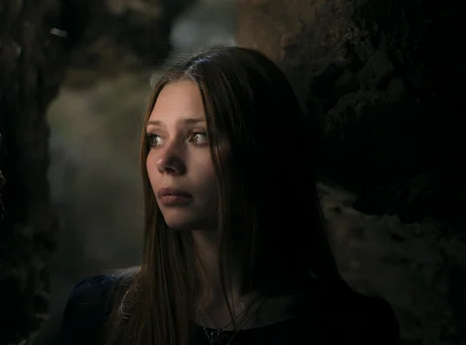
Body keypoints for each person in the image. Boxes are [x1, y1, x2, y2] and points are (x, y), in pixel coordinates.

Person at [60, 46, 400, 345]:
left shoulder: (352, 328)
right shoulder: (99, 310)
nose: (165, 161)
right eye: (156, 138)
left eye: (198, 136)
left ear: (260, 150)